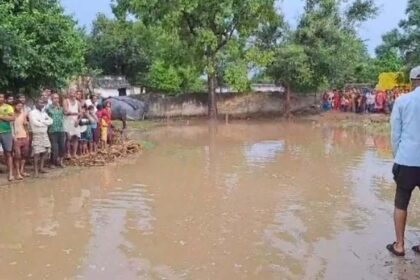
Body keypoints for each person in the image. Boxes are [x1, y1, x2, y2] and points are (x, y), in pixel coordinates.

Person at [387, 66, 420, 257]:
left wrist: (397, 156)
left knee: (401, 203)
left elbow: (395, 134)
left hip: (406, 159)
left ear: (413, 81)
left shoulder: (402, 100)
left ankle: (399, 245)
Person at [29, 99, 53, 177]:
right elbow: (35, 123)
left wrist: (42, 121)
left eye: (42, 102)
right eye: (39, 102)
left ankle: (41, 168)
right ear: (36, 103)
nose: (41, 104)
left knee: (46, 151)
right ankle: (36, 171)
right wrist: (45, 122)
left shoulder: (44, 113)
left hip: (44, 134)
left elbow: (51, 121)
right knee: (37, 153)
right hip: (37, 134)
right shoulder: (32, 113)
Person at [46, 93, 66, 168]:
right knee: (54, 148)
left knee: (62, 147)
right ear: (51, 99)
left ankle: (60, 161)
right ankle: (52, 163)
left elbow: (64, 116)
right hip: (52, 130)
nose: (56, 100)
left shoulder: (61, 108)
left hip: (61, 129)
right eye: (54, 98)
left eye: (57, 98)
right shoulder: (48, 108)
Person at [0, 93, 16, 181]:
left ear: (4, 99)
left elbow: (13, 118)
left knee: (8, 153)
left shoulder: (8, 107)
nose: (0, 98)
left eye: (1, 97)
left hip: (6, 132)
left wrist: (1, 116)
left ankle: (10, 174)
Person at [13, 100, 30, 179]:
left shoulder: (23, 114)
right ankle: (17, 172)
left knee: (24, 154)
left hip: (24, 136)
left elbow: (25, 124)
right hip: (16, 138)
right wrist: (13, 137)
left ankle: (22, 170)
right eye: (18, 106)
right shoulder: (12, 115)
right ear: (14, 106)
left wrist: (27, 135)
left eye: (21, 106)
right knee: (17, 155)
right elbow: (11, 127)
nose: (19, 107)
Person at [63, 89, 81, 158]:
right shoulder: (66, 101)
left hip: (76, 122)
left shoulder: (78, 102)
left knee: (76, 137)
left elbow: (81, 113)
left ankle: (74, 153)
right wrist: (76, 113)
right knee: (68, 138)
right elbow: (66, 112)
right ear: (68, 94)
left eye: (73, 92)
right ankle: (68, 153)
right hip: (68, 122)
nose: (72, 94)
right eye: (71, 92)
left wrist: (78, 120)